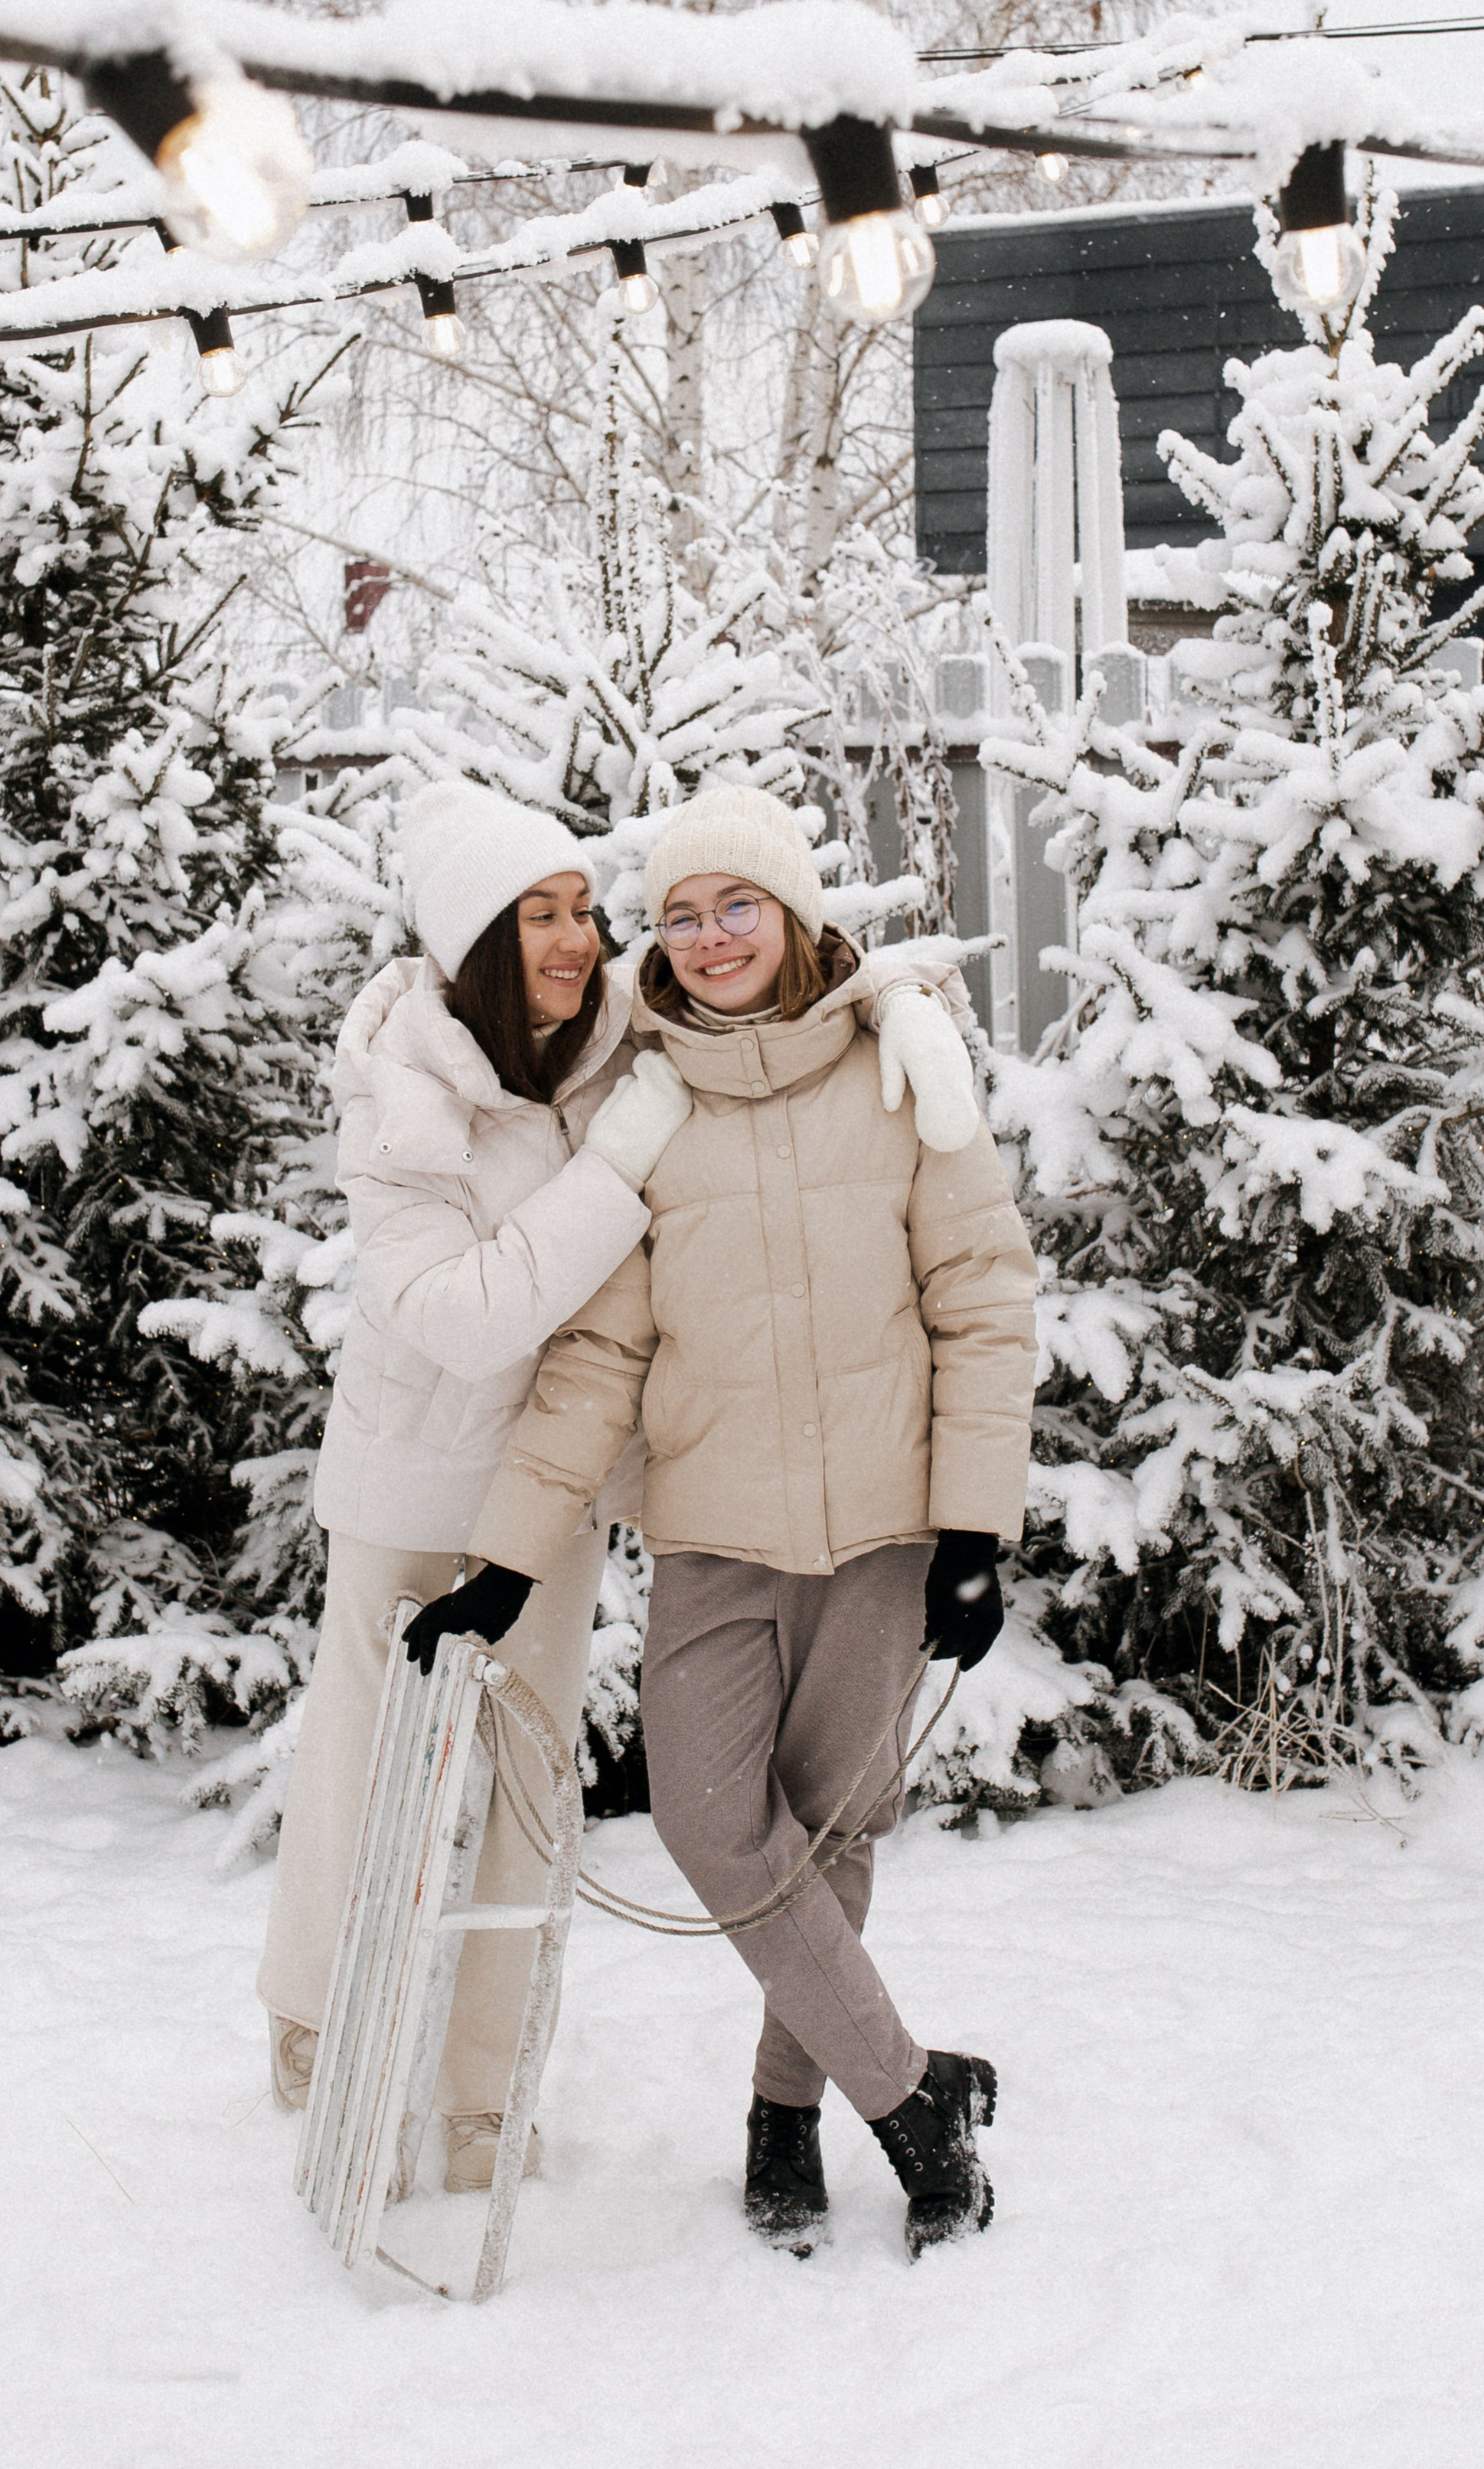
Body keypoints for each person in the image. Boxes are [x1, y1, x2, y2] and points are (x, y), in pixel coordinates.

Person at [404, 783, 1038, 2258]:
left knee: (831, 1827)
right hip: (714, 1543)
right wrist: (504, 1564)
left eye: (734, 905)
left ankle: (785, 2114)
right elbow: (601, 1361)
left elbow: (983, 1304)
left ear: (795, 915)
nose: (707, 937)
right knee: (706, 1817)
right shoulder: (651, 1112)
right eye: (678, 916)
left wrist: (975, 1532)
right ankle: (911, 2096)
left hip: (885, 1537)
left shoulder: (901, 1076)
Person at [256, 779, 695, 2191]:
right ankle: (318, 2018)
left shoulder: (620, 1055)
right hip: (407, 1492)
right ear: (471, 941)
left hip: (543, 1496)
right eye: (541, 916)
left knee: (527, 1783)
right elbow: (464, 1315)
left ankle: (482, 2093)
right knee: (364, 1773)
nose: (578, 940)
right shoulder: (403, 1089)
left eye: (585, 910)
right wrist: (618, 1169)